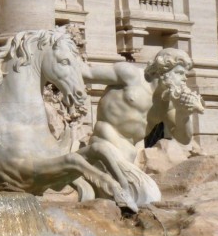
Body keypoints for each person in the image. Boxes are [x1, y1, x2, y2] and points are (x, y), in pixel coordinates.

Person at [78, 48, 204, 206]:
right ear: (163, 69)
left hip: (131, 150)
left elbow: (184, 138)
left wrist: (183, 114)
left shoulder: (168, 103)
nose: (185, 79)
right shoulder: (130, 75)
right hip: (106, 136)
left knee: (137, 195)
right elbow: (87, 74)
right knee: (146, 194)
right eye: (180, 73)